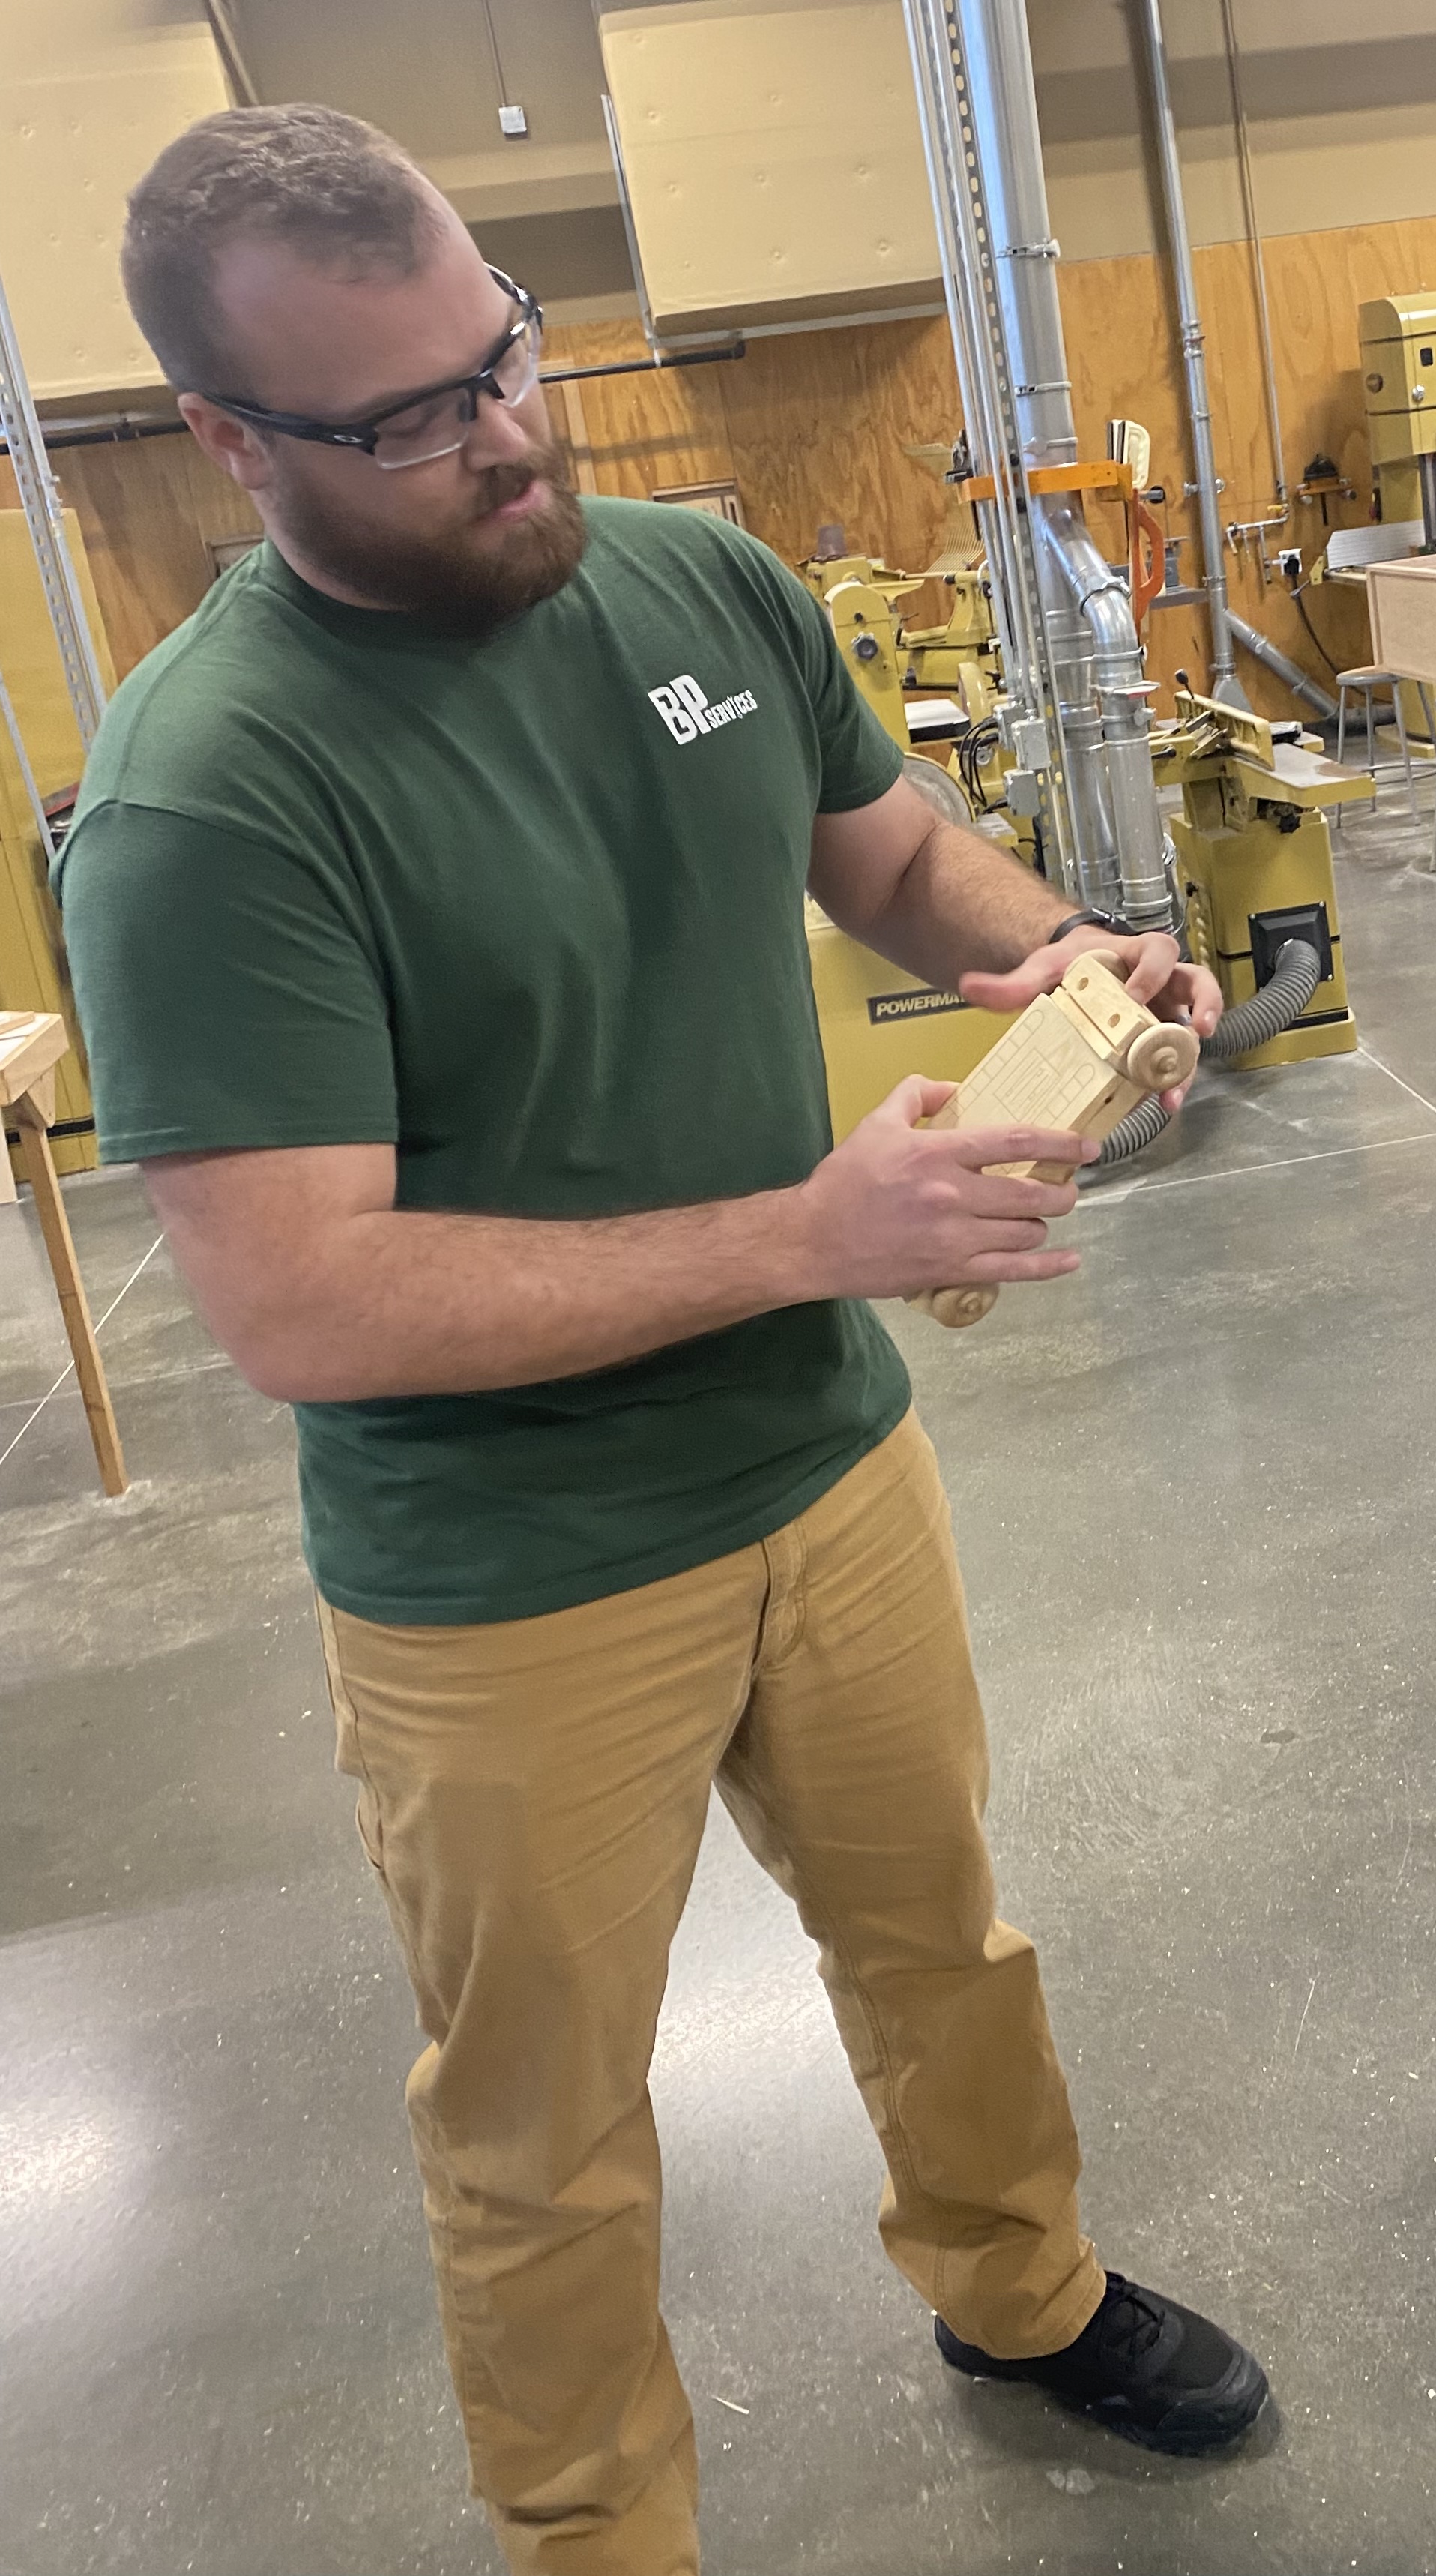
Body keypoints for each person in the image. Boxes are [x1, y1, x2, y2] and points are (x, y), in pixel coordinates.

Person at [58, 101, 1268, 2576]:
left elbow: (896, 848)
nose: (500, 433)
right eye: (401, 415)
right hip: (507, 1578)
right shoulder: (211, 794)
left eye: (505, 355)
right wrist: (815, 1231)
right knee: (543, 2124)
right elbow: (300, 1296)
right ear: (223, 441)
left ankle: (1015, 2286)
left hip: (825, 1466)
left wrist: (1051, 956)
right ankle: (598, 2529)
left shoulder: (700, 585)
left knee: (943, 1935)